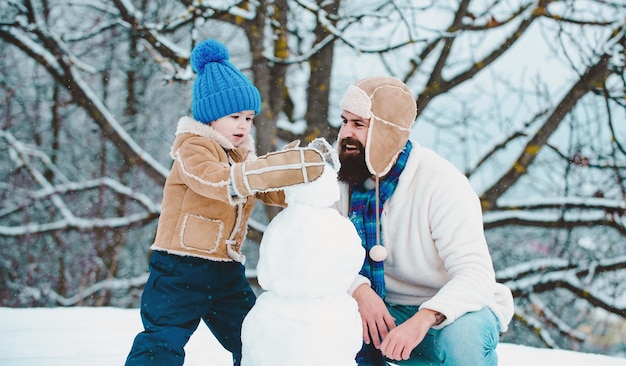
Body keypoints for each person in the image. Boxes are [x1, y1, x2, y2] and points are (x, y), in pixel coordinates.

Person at [125, 39, 324, 366]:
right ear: (211, 117)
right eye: (235, 116)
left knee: (254, 336)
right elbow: (216, 180)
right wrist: (263, 170)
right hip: (180, 266)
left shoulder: (240, 155)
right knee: (163, 340)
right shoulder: (192, 147)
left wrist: (297, 183)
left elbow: (263, 189)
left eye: (249, 118)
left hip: (226, 271)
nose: (244, 125)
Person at [334, 76, 514, 366]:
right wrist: (359, 289)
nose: (345, 133)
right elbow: (317, 256)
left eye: (358, 124)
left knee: (462, 339)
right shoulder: (341, 178)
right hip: (379, 308)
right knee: (316, 320)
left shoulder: (442, 183)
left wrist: (424, 318)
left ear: (387, 130)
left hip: (448, 311)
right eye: (344, 121)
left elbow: (475, 275)